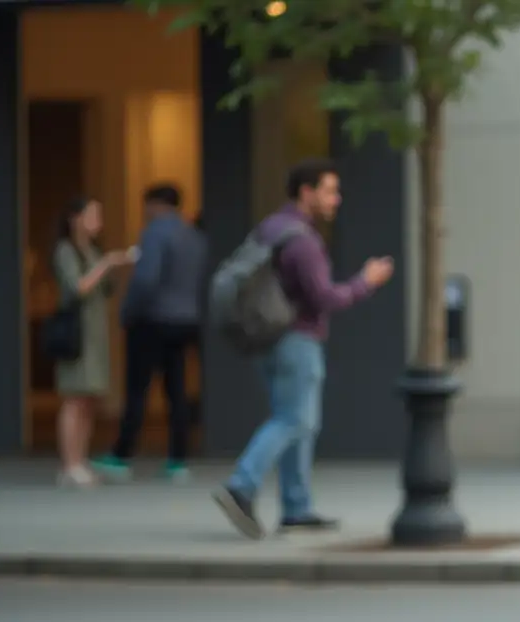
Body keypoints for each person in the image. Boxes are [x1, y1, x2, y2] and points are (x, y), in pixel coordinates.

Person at [211, 158, 395, 539]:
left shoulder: (272, 229)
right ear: (306, 192)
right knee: (294, 420)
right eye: (329, 190)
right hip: (297, 340)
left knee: (297, 422)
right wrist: (366, 281)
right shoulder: (303, 241)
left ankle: (296, 507)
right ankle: (241, 487)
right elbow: (326, 298)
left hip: (268, 337)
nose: (336, 199)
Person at [91, 183, 208, 483]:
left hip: (153, 319)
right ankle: (178, 459)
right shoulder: (193, 236)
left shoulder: (155, 233)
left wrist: (127, 313)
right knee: (177, 389)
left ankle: (121, 454)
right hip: (186, 320)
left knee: (138, 388)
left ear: (155, 205)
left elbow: (146, 280)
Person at [51, 196, 133, 487]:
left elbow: (104, 289)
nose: (97, 221)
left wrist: (113, 266)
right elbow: (79, 287)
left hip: (95, 334)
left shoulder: (92, 249)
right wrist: (107, 263)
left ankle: (79, 460)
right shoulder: (65, 250)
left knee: (89, 398)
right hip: (77, 334)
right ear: (75, 218)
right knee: (74, 397)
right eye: (92, 215)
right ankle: (69, 464)